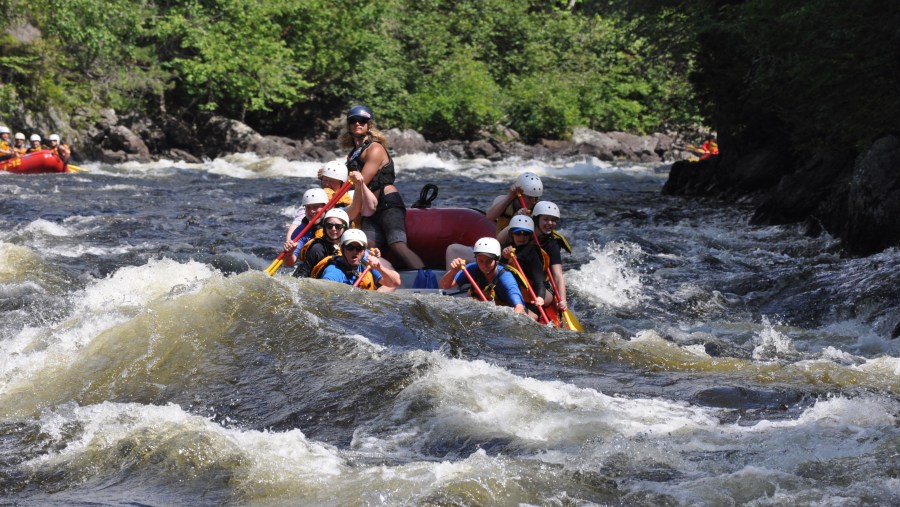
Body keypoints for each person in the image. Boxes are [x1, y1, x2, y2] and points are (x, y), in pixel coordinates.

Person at [339, 104, 425, 270]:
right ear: (348, 125)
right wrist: (329, 177)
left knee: (397, 245)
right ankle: (378, 280)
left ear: (369, 124)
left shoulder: (375, 149)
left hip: (388, 204)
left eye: (362, 121)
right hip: (370, 209)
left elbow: (362, 179)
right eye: (353, 121)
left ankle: (426, 276)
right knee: (368, 247)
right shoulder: (353, 153)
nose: (358, 123)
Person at [439, 237, 526, 315]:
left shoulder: (506, 278)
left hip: (503, 315)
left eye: (489, 261)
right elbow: (445, 286)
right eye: (480, 261)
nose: (484, 265)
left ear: (496, 260)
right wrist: (453, 271)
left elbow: (519, 307)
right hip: (483, 312)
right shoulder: (473, 268)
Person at [313, 228, 401, 291]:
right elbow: (325, 292)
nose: (355, 252)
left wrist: (380, 268)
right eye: (350, 247)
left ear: (364, 250)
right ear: (342, 249)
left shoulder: (365, 263)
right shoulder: (334, 272)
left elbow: (394, 283)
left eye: (359, 248)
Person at [499, 215, 549, 320]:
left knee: (528, 317)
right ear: (512, 234)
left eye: (525, 234)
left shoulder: (532, 252)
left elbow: (539, 278)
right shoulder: (506, 249)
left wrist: (540, 296)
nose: (522, 238)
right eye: (518, 233)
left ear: (530, 236)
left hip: (530, 297)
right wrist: (504, 258)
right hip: (512, 292)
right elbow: (498, 273)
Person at [285, 208, 348, 278]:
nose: (333, 229)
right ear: (324, 227)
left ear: (345, 228)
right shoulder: (317, 249)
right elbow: (302, 276)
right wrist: (289, 253)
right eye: (329, 226)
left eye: (338, 226)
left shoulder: (350, 247)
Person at [532, 201, 571, 312]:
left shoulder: (552, 244)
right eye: (546, 219)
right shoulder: (523, 234)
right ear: (536, 219)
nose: (550, 223)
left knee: (546, 299)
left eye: (553, 220)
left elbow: (558, 275)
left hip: (540, 283)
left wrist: (562, 300)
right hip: (522, 278)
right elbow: (500, 239)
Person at [283, 188, 329, 255]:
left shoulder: (336, 223)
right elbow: (289, 263)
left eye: (316, 207)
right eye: (308, 207)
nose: (311, 211)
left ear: (326, 207)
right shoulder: (301, 231)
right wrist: (290, 253)